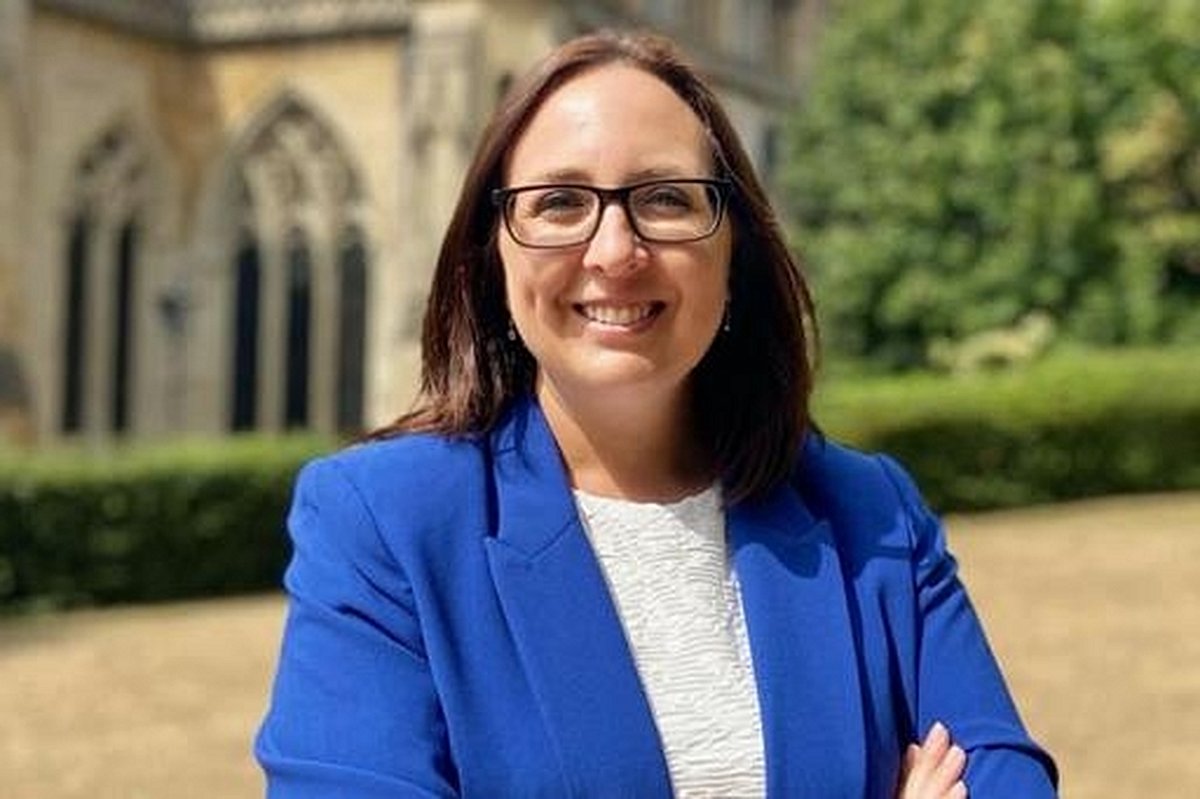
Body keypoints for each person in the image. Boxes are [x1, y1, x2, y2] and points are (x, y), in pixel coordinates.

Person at [255, 29, 1058, 798]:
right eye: (560, 202)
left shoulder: (870, 516)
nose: (615, 251)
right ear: (492, 254)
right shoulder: (385, 522)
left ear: (733, 250)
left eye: (667, 198)